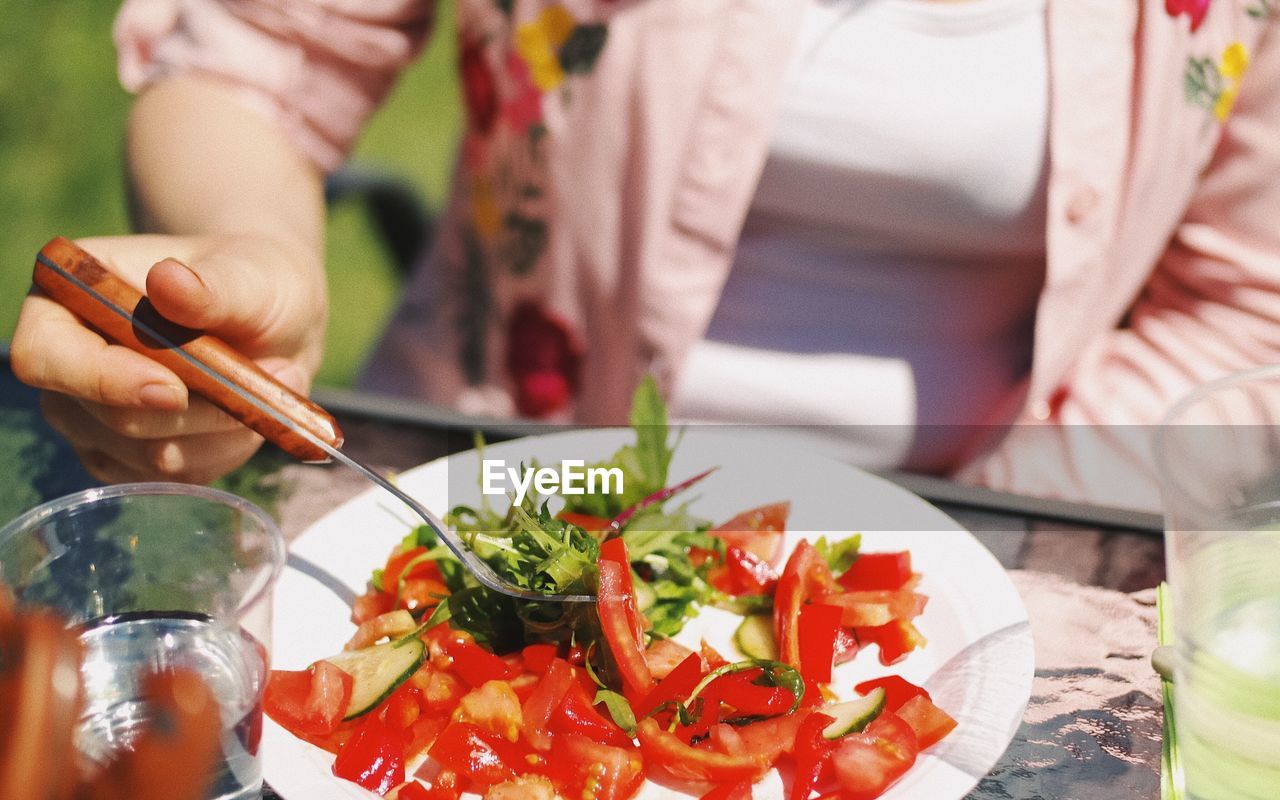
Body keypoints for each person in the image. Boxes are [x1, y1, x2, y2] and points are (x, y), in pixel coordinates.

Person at [12, 0, 1280, 508]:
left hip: (1001, 554)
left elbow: (1245, 309)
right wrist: (247, 274)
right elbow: (260, 61)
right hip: (476, 483)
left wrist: (980, 549)